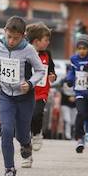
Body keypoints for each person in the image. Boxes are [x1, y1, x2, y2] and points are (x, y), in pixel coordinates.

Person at [0, 16, 47, 176]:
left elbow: (40, 70)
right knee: (7, 130)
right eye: (9, 36)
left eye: (16, 38)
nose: (11, 41)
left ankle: (26, 144)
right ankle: (9, 169)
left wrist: (30, 84)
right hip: (5, 95)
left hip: (24, 97)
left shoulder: (29, 49)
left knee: (22, 133)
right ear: (5, 32)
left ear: (23, 36)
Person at [26, 22, 57, 151]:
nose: (48, 42)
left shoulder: (47, 54)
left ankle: (37, 134)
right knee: (27, 118)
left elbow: (52, 70)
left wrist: (53, 76)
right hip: (26, 92)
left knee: (37, 114)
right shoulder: (25, 52)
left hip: (41, 92)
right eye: (46, 40)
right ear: (36, 41)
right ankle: (27, 144)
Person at [65, 34, 88, 153]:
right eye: (79, 48)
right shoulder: (74, 59)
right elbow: (72, 72)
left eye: (84, 48)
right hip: (80, 91)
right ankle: (79, 138)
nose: (82, 51)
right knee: (81, 113)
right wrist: (69, 79)